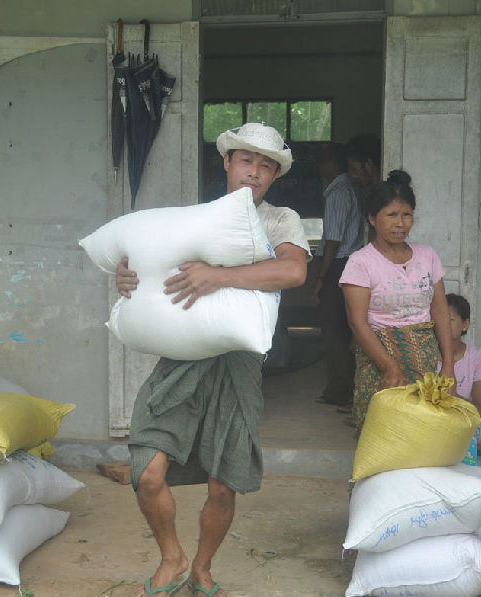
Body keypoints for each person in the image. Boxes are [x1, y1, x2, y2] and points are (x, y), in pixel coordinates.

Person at [115, 123, 310, 597]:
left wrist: (219, 275)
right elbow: (148, 266)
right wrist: (126, 278)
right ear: (226, 163)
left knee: (224, 484)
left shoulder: (281, 220)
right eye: (247, 160)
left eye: (266, 166)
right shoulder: (196, 218)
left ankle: (201, 568)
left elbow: (293, 269)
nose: (255, 172)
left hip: (240, 363)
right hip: (183, 356)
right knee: (147, 469)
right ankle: (171, 556)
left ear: (275, 175)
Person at [340, 170, 454, 433]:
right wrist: (389, 366)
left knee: (422, 432)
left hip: (425, 359)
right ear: (372, 218)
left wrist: (447, 365)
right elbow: (357, 323)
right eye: (391, 215)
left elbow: (439, 310)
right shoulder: (361, 262)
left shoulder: (427, 256)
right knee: (381, 434)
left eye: (406, 215)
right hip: (378, 358)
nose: (400, 223)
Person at [312, 143, 364, 412]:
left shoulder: (338, 193)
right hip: (349, 263)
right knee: (346, 329)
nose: (319, 168)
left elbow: (332, 240)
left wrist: (321, 277)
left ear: (332, 163)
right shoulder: (349, 188)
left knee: (334, 331)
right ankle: (347, 389)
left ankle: (340, 391)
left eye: (321, 162)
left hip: (339, 265)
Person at [438, 293, 481, 465]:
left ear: (465, 324)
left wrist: (451, 397)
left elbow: (479, 410)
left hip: (462, 428)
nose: (443, 324)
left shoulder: (478, 358)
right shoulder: (426, 354)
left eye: (450, 319)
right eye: (439, 318)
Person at [343, 135, 381, 242]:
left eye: (354, 169)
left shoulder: (382, 196)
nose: (353, 176)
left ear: (369, 164)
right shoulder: (369, 192)